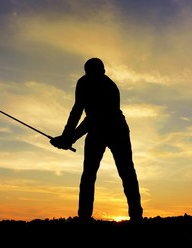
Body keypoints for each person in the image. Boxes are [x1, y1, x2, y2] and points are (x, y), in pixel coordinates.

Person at [50, 58, 143, 222]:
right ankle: (84, 216)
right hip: (95, 131)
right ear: (87, 72)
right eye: (90, 73)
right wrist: (66, 136)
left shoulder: (110, 87)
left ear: (103, 72)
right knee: (88, 174)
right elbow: (77, 110)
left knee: (126, 172)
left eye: (97, 72)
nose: (94, 76)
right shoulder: (83, 83)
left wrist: (69, 139)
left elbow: (94, 118)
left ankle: (136, 216)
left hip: (116, 130)